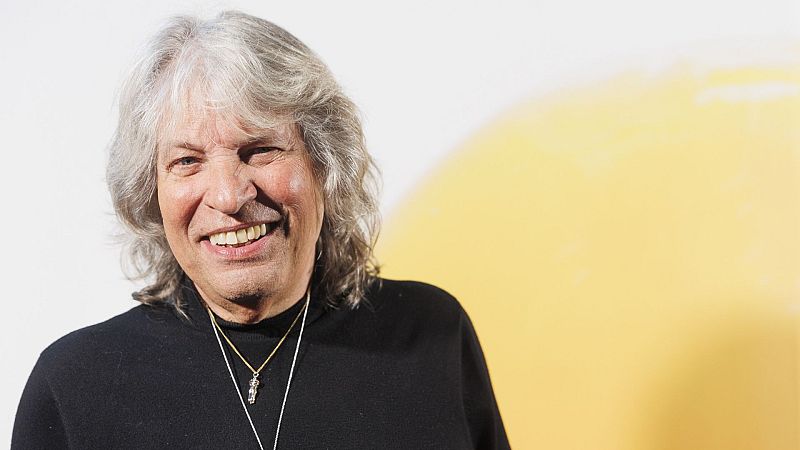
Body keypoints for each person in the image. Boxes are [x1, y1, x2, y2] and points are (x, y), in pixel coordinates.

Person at [12, 10, 509, 450]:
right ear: (151, 192)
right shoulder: (74, 388)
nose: (229, 196)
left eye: (261, 150)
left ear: (324, 165)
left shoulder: (432, 336)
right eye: (187, 161)